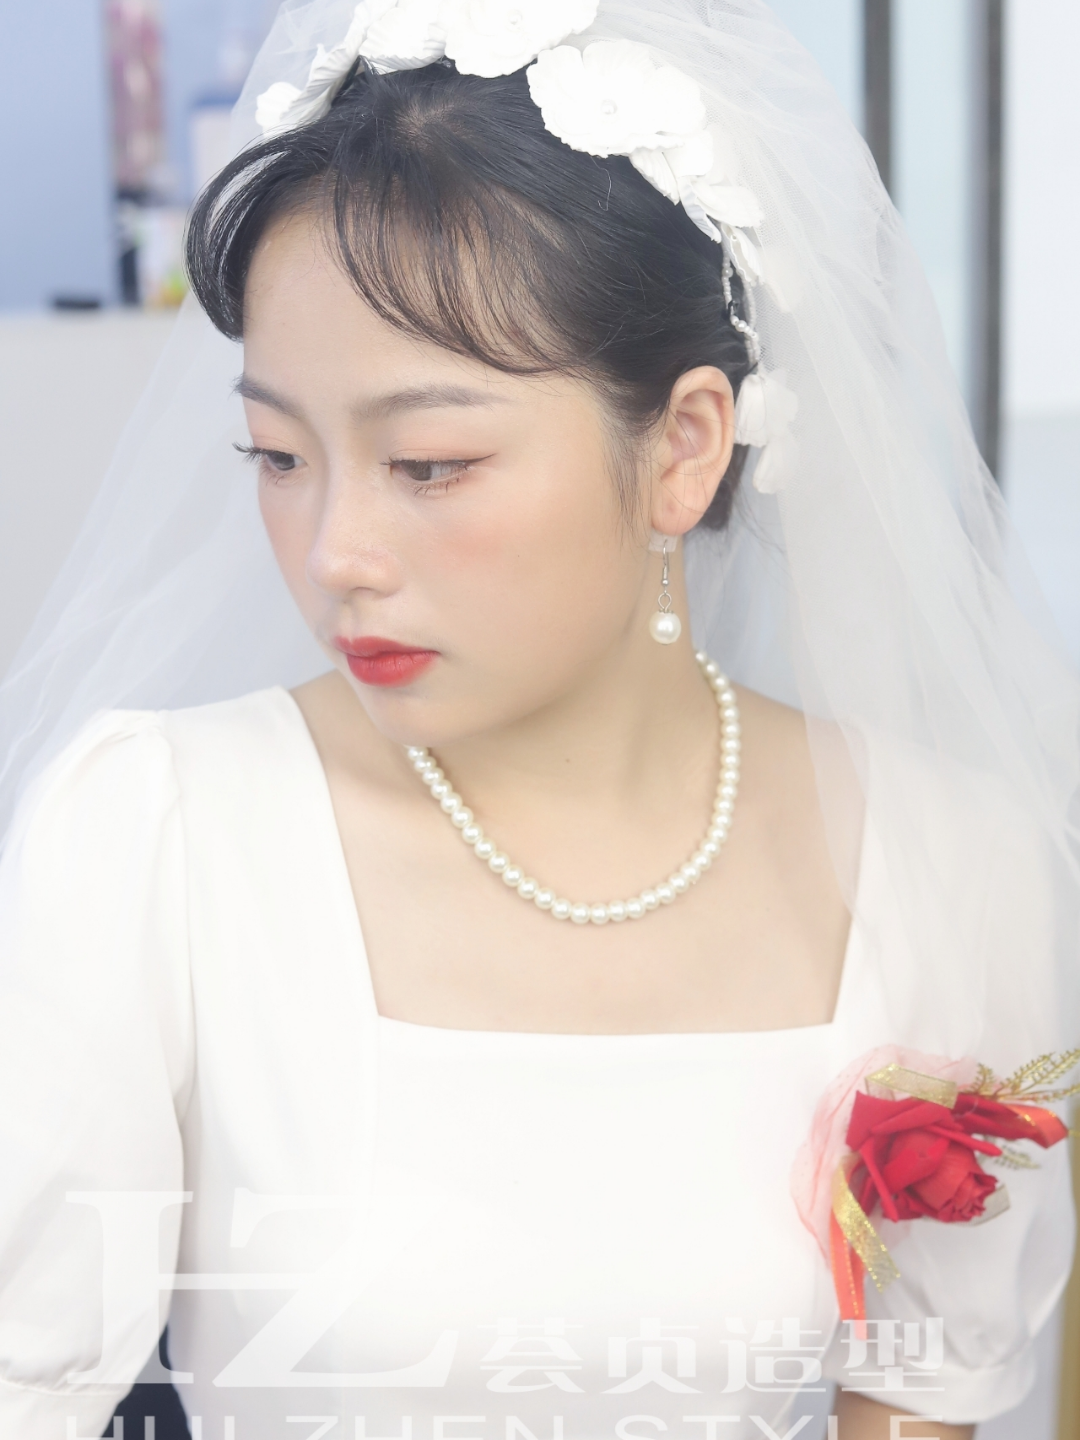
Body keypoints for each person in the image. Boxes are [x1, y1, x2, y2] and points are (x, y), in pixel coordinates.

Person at [0, 2, 1078, 1438]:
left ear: (683, 447)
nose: (335, 553)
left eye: (430, 464)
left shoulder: (946, 869)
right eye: (277, 455)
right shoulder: (158, 839)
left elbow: (917, 1399)